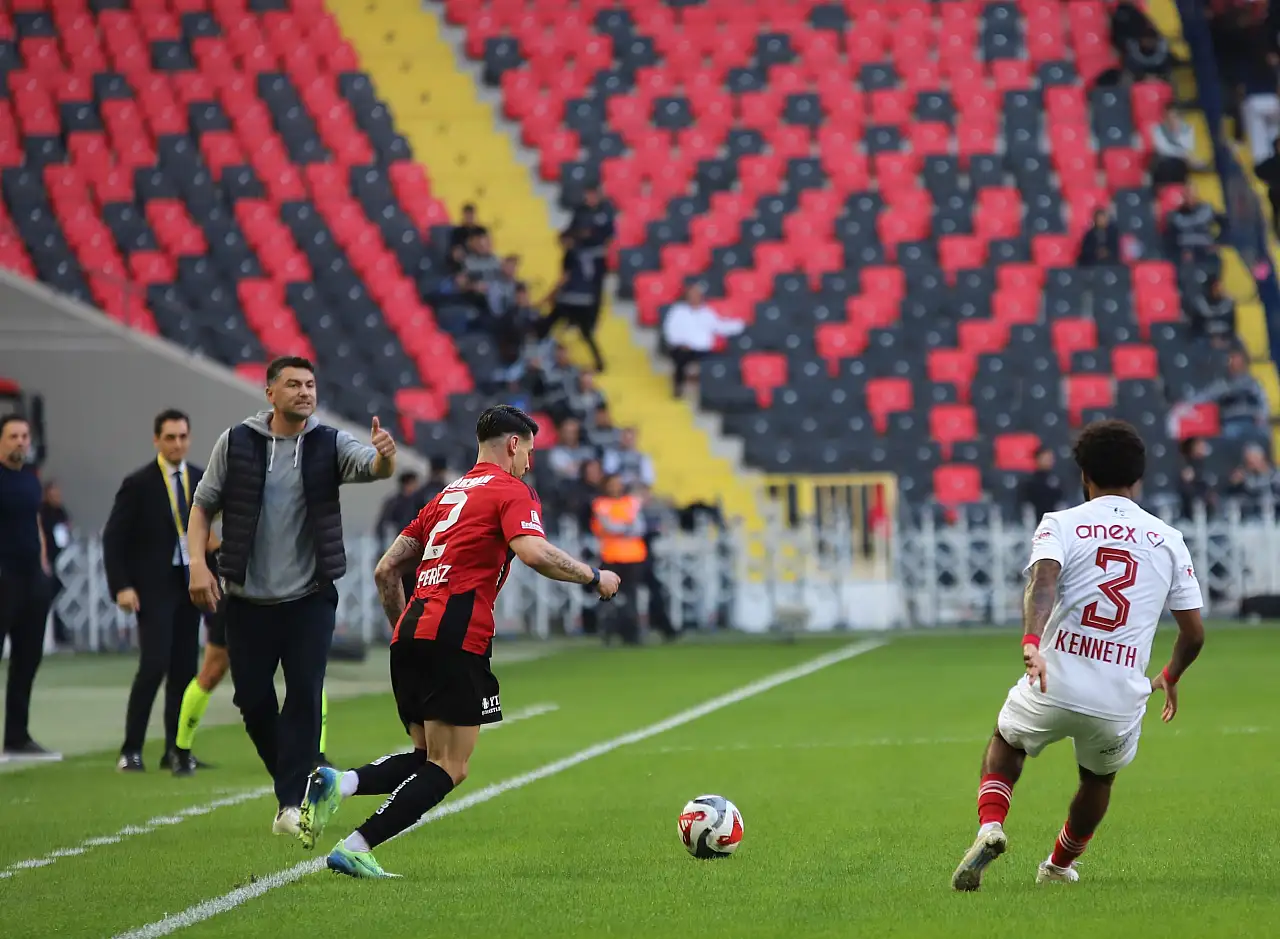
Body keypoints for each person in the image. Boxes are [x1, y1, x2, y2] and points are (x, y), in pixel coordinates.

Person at [292, 405, 620, 877]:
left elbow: (386, 569)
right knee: (452, 766)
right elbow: (533, 552)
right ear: (512, 445)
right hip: (456, 636)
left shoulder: (445, 496)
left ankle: (339, 784)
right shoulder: (513, 491)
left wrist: (404, 630)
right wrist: (593, 576)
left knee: (427, 756)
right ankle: (357, 844)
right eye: (528, 450)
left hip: (411, 630)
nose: (530, 461)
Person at [950, 420, 1205, 891]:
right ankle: (1058, 866)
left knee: (1007, 743)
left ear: (1084, 475)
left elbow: (1042, 582)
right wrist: (1170, 673)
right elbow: (1193, 633)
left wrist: (1031, 644)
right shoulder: (1168, 539)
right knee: (1097, 780)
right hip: (1119, 697)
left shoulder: (1061, 522)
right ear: (1139, 477)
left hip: (1054, 680)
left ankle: (990, 826)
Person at [186, 355, 396, 836]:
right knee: (253, 700)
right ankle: (294, 786)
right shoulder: (237, 442)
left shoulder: (328, 442)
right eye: (294, 384)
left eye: (310, 384)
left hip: (310, 596)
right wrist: (198, 564)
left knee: (304, 694)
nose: (305, 391)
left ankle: (290, 803)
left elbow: (374, 468)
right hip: (247, 599)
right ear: (270, 393)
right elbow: (202, 508)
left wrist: (385, 454)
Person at [103, 409, 207, 775]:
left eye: (182, 436)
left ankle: (175, 750)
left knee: (184, 671)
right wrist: (122, 586)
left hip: (189, 587)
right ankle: (131, 749)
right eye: (170, 437)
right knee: (153, 666)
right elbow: (113, 538)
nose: (177, 443)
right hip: (153, 588)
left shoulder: (200, 478)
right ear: (157, 441)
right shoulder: (140, 483)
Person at [0, 414, 57, 761]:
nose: (21, 441)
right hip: (3, 576)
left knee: (27, 659)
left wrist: (44, 562)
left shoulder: (30, 479)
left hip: (31, 578)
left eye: (24, 435)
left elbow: (35, 520)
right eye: (13, 436)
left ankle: (17, 737)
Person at [661, 282, 746, 397]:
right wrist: (681, 343)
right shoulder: (678, 311)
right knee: (681, 357)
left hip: (704, 349)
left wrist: (741, 324)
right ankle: (678, 387)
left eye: (697, 295)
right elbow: (670, 331)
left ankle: (714, 392)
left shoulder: (707, 312)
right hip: (684, 347)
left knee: (725, 359)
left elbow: (719, 326)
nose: (695, 297)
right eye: (692, 295)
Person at [538, 229, 605, 373]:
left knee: (547, 324)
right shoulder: (586, 255)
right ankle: (600, 363)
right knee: (586, 333)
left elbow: (565, 278)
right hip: (587, 300)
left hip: (571, 299)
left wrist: (548, 297)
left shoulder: (570, 254)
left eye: (561, 242)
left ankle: (537, 353)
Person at [591, 474, 647, 645]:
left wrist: (621, 527)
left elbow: (639, 527)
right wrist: (626, 527)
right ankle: (609, 630)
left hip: (633, 557)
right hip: (611, 556)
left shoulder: (631, 502)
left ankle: (631, 632)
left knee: (631, 597)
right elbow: (609, 527)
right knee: (609, 596)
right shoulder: (601, 504)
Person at [39, 478, 71, 648]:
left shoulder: (61, 512)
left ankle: (59, 631)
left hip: (64, 559)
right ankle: (54, 631)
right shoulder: (43, 512)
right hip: (49, 560)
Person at [1016, 447, 1065, 523]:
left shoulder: (1057, 479)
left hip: (1054, 520)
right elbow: (1025, 503)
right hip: (1036, 520)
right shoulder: (1030, 481)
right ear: (1038, 459)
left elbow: (1062, 500)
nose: (1049, 461)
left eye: (1050, 458)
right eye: (1045, 458)